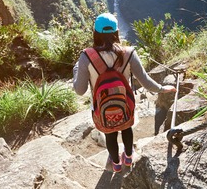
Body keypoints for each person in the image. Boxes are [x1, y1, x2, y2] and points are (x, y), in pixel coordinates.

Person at [73, 13, 176, 172]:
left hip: (101, 109)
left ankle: (115, 163)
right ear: (116, 32)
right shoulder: (129, 53)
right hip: (125, 104)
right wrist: (162, 89)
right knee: (126, 128)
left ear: (95, 32)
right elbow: (145, 81)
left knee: (110, 135)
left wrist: (76, 70)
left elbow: (80, 91)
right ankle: (128, 157)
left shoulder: (87, 56)